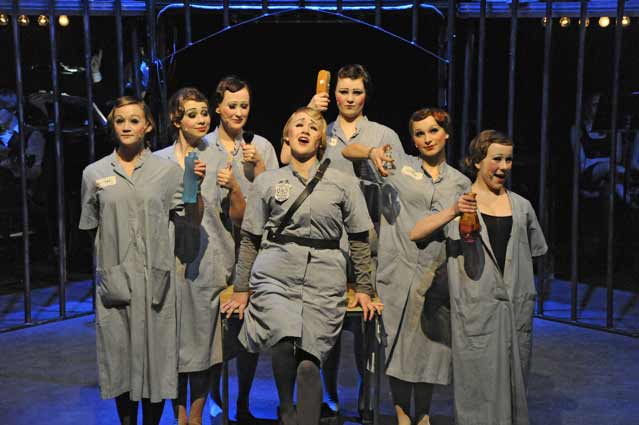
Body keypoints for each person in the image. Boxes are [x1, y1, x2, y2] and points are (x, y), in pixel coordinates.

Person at [221, 106, 382, 425]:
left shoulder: (342, 183)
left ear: (321, 138)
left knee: (309, 362)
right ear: (287, 135)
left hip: (325, 274)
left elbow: (360, 238)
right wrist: (241, 288)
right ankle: (285, 409)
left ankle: (302, 416)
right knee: (283, 337)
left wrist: (364, 287)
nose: (305, 130)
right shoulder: (268, 181)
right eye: (298, 124)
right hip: (274, 273)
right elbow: (250, 238)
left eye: (313, 126)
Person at [282, 64, 406, 419]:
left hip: (370, 243)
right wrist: (310, 111)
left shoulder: (383, 134)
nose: (349, 98)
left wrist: (377, 161)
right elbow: (287, 160)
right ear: (332, 92)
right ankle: (329, 395)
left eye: (357, 92)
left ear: (366, 95)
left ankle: (367, 400)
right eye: (343, 91)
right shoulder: (321, 129)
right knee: (327, 325)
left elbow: (398, 184)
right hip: (329, 244)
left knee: (368, 330)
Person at [79, 96, 206, 425]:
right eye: (119, 120)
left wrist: (194, 186)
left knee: (156, 363)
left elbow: (191, 218)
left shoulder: (167, 172)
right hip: (117, 282)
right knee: (120, 359)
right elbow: (90, 226)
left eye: (134, 120)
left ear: (147, 126)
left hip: (155, 283)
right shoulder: (94, 173)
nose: (126, 127)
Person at [342, 108, 471, 425]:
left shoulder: (460, 182)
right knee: (396, 346)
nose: (427, 139)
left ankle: (424, 415)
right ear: (412, 140)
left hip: (435, 273)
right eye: (419, 134)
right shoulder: (398, 167)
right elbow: (348, 151)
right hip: (397, 268)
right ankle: (401, 414)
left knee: (429, 349)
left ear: (446, 134)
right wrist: (372, 151)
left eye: (433, 131)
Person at [410, 130, 548, 425]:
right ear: (476, 162)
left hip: (514, 309)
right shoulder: (460, 203)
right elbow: (416, 233)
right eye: (496, 159)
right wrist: (453, 211)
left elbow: (534, 251)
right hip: (475, 310)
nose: (503, 167)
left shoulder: (521, 207)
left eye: (508, 160)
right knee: (476, 391)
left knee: (515, 389)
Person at [154, 87, 245, 425]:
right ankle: (179, 415)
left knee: (207, 345)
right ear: (176, 119)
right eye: (192, 114)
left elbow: (239, 216)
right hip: (170, 259)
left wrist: (234, 186)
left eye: (204, 113)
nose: (201, 119)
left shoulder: (220, 157)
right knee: (173, 344)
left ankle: (196, 415)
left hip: (209, 259)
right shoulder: (158, 161)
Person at [203, 75, 280, 421]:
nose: (238, 112)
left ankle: (244, 402)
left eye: (244, 106)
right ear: (218, 108)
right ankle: (215, 397)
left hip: (254, 250)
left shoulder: (261, 146)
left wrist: (259, 167)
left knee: (249, 329)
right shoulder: (203, 145)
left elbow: (279, 197)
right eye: (232, 106)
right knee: (215, 330)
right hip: (214, 245)